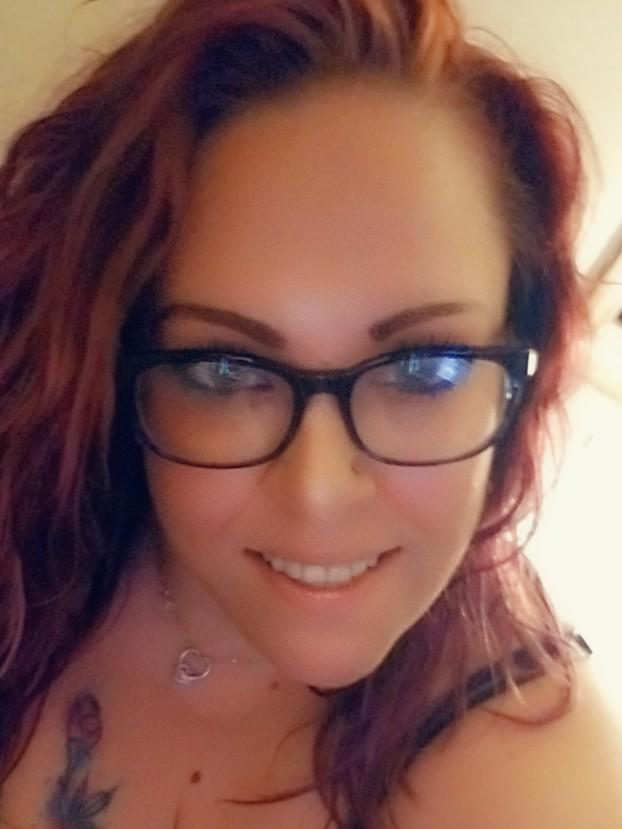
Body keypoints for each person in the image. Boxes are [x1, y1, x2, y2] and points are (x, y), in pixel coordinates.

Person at [0, 0, 620, 826]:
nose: (318, 493)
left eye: (424, 367)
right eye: (222, 369)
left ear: (520, 366)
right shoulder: (37, 527)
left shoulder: (531, 780)